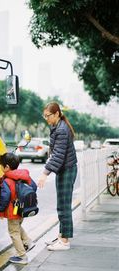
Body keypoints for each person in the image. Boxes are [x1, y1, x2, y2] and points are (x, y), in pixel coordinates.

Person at [38, 102, 77, 251]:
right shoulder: (57, 126)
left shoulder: (61, 129)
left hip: (67, 169)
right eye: (45, 116)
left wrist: (44, 173)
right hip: (65, 169)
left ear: (56, 114)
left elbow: (58, 156)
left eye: (48, 116)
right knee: (62, 204)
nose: (46, 118)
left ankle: (65, 241)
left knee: (64, 206)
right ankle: (62, 236)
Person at [0, 152, 36, 264]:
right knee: (17, 226)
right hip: (22, 207)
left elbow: (5, 197)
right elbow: (33, 187)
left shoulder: (7, 180)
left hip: (13, 210)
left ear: (7, 167)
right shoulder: (24, 176)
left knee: (13, 232)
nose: (0, 167)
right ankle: (28, 242)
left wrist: (0, 209)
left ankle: (22, 256)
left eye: (1, 165)